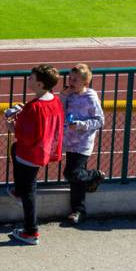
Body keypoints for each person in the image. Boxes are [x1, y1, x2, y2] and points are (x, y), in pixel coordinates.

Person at [5, 64, 64, 245]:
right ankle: (18, 190)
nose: (28, 79)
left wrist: (11, 125)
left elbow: (26, 136)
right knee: (14, 151)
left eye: (31, 78)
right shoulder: (54, 101)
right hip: (44, 150)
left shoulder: (34, 107)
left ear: (40, 84)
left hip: (30, 153)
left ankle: (31, 231)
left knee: (29, 191)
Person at [60, 63, 106, 224]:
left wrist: (81, 125)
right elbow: (60, 110)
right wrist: (64, 95)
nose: (71, 82)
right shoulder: (69, 95)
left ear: (85, 83)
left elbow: (100, 120)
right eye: (70, 78)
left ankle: (95, 175)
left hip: (83, 142)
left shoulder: (90, 97)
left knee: (71, 173)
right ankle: (78, 211)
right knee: (76, 177)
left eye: (75, 80)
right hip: (69, 140)